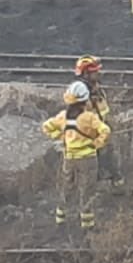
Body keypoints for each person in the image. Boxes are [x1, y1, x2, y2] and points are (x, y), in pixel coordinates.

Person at [42, 82, 111, 231]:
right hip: (88, 158)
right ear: (85, 99)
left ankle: (61, 218)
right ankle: (87, 224)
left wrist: (61, 137)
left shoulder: (62, 116)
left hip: (69, 158)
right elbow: (105, 131)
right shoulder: (89, 117)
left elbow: (46, 127)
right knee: (87, 189)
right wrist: (97, 144)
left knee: (67, 186)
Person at [73, 54, 124, 190]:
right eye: (95, 71)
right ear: (86, 74)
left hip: (102, 127)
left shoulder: (95, 87)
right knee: (94, 161)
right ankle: (94, 187)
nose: (98, 73)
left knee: (110, 154)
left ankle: (115, 181)